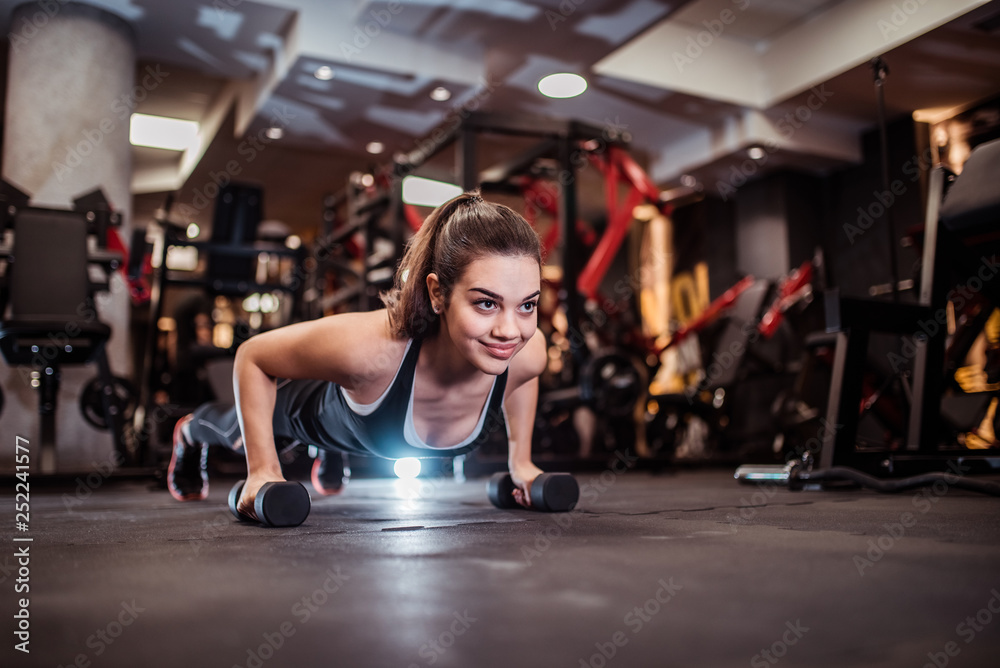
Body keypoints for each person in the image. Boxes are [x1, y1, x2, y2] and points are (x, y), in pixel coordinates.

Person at [167, 191, 548, 515]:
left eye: (527, 306)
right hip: (318, 411)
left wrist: (522, 462)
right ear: (437, 294)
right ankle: (189, 433)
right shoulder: (373, 350)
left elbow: (522, 380)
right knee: (240, 432)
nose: (510, 331)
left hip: (363, 425)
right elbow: (253, 355)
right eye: (486, 304)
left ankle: (330, 451)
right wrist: (262, 470)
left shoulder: (526, 354)